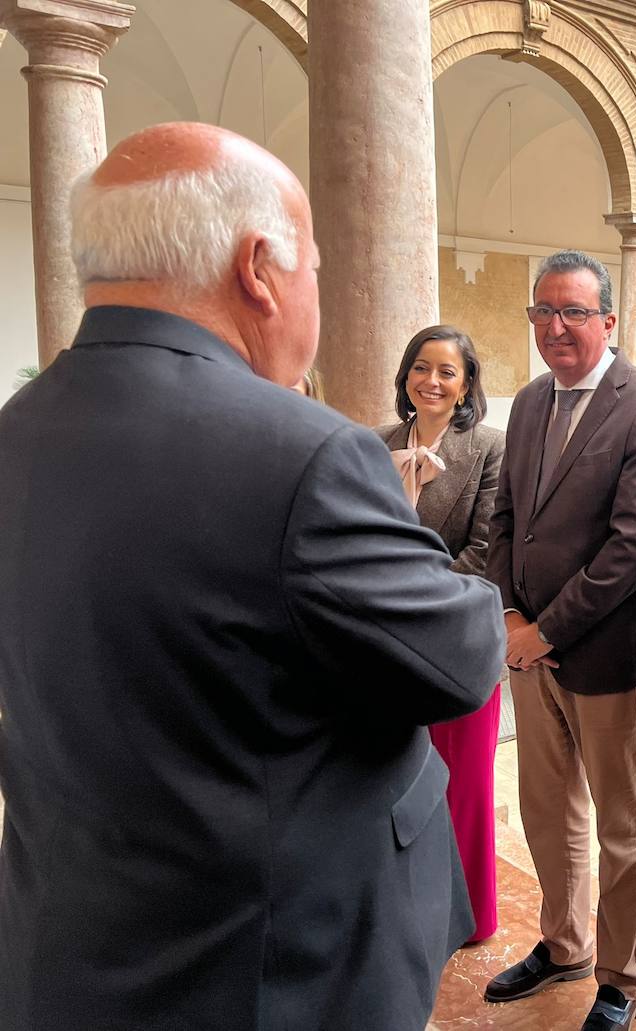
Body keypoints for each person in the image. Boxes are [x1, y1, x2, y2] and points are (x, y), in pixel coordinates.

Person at [0, 123, 505, 1031]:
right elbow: (460, 658)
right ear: (259, 268)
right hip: (275, 964)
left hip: (81, 944)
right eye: (314, 265)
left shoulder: (16, 431)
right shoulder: (303, 453)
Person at [482, 249, 636, 1031]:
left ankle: (622, 976)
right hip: (530, 653)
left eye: (573, 311)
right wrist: (507, 618)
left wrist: (543, 631)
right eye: (543, 311)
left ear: (608, 319)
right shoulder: (531, 402)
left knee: (620, 823)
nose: (556, 327)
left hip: (603, 655)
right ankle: (562, 942)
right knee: (546, 807)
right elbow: (505, 521)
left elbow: (634, 547)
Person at [377, 325, 506, 944]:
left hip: (456, 645)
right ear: (406, 375)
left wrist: (405, 597)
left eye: (447, 371)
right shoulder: (374, 444)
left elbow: (484, 552)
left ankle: (468, 917)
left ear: (467, 383)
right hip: (385, 650)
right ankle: (407, 910)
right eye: (421, 368)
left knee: (466, 787)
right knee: (395, 786)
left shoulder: (488, 447)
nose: (431, 381)